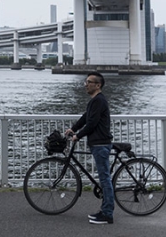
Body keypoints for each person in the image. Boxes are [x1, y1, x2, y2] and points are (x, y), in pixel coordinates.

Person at [65, 71, 114, 225]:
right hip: (97, 143)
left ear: (98, 85)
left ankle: (107, 215)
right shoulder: (95, 101)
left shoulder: (99, 101)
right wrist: (73, 129)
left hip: (100, 144)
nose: (86, 84)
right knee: (104, 178)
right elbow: (86, 117)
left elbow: (92, 123)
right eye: (85, 82)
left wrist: (77, 136)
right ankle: (104, 210)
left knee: (105, 179)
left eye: (89, 82)